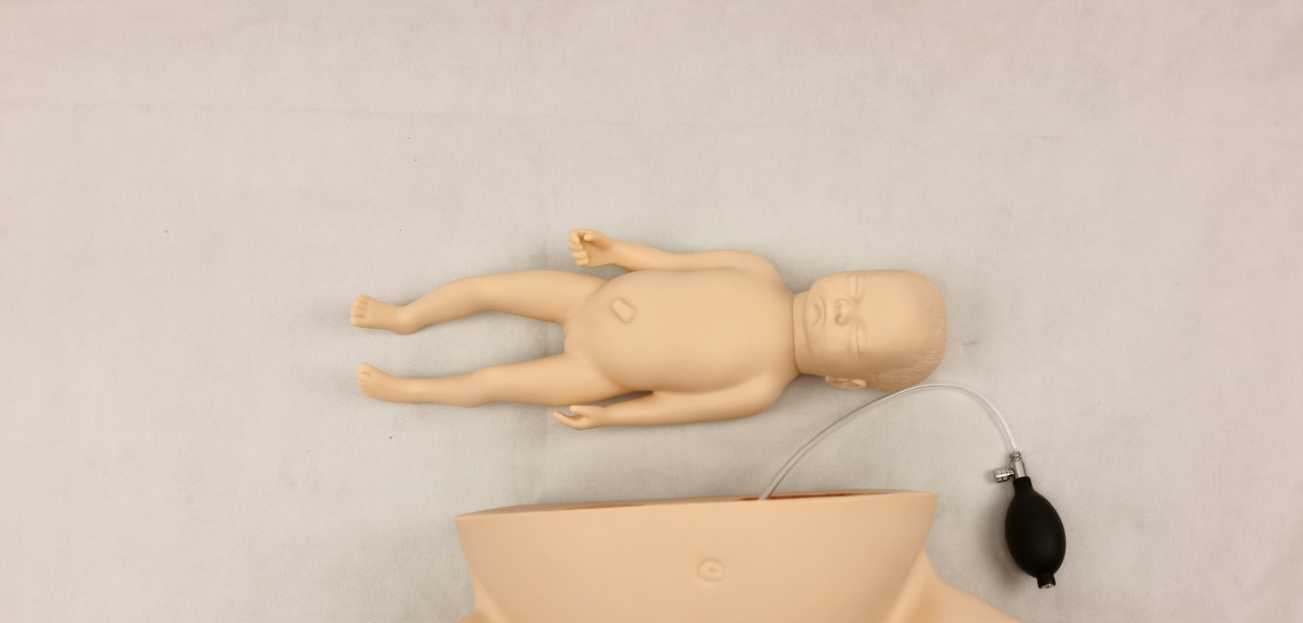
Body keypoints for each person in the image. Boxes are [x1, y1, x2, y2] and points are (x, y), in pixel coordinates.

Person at [352, 230, 946, 428]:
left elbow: (671, 408)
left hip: (598, 372)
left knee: (492, 382)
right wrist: (618, 251)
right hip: (591, 299)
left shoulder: (761, 386)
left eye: (855, 332)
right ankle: (403, 317)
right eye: (855, 292)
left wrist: (610, 417)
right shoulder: (758, 272)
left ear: (845, 379)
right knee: (487, 288)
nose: (840, 309)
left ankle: (409, 389)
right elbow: (672, 264)